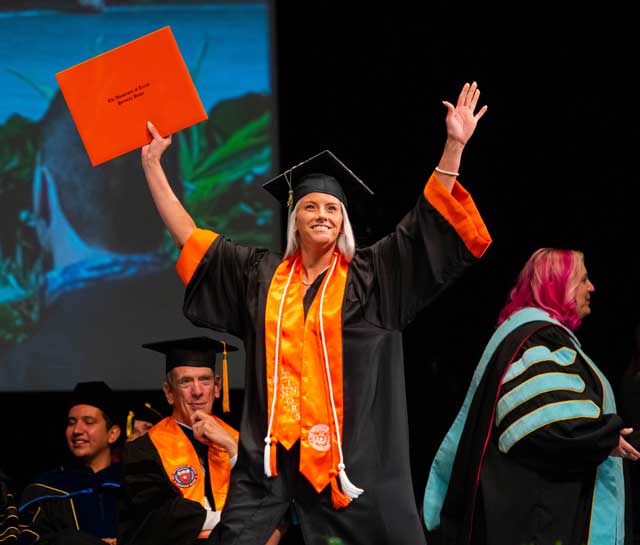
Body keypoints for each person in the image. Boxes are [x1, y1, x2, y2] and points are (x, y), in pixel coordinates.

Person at [139, 80, 492, 545]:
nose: (322, 213)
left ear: (344, 220)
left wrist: (453, 146)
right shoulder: (259, 276)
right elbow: (193, 239)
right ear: (294, 218)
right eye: (310, 206)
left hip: (349, 466)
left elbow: (422, 228)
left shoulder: (372, 276)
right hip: (268, 462)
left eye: (332, 207)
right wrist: (153, 167)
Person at [423, 248, 640, 545]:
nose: (592, 287)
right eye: (583, 279)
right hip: (536, 520)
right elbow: (544, 419)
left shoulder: (534, 338)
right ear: (558, 285)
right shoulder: (536, 339)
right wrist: (602, 436)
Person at [117, 336, 241, 545]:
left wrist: (232, 447)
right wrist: (237, 520)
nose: (198, 391)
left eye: (205, 380)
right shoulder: (142, 450)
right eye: (186, 382)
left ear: (217, 386)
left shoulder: (239, 439)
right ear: (169, 392)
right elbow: (161, 514)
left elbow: (268, 497)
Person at [19, 381, 123, 545]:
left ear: (112, 433)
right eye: (71, 422)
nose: (77, 431)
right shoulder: (46, 489)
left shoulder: (133, 484)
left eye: (89, 422)